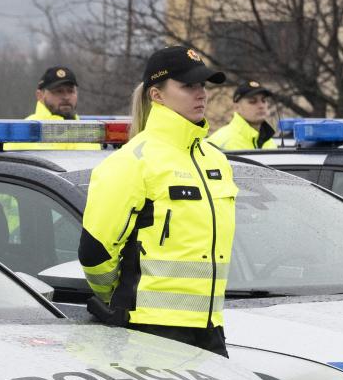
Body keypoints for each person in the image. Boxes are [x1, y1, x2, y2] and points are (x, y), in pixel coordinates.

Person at [79, 46, 237, 356]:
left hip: (209, 329)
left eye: (202, 85)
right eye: (188, 85)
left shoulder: (216, 162)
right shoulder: (133, 161)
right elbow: (96, 252)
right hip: (150, 332)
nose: (200, 94)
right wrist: (118, 298)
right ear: (157, 95)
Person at [8, 63, 98, 151]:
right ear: (39, 95)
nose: (66, 97)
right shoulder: (22, 133)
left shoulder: (90, 134)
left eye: (70, 91)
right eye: (58, 91)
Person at [207, 81, 278, 151]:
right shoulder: (220, 141)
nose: (261, 106)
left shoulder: (269, 142)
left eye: (263, 100)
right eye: (252, 101)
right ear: (237, 107)